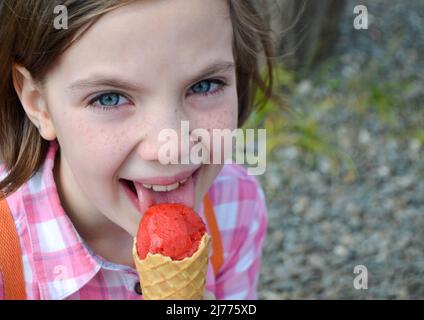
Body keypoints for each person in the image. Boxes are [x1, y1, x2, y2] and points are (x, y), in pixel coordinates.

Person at [0, 0, 276, 300]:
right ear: (38, 103)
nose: (172, 148)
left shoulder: (236, 202)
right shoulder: (7, 258)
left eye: (204, 85)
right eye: (109, 98)